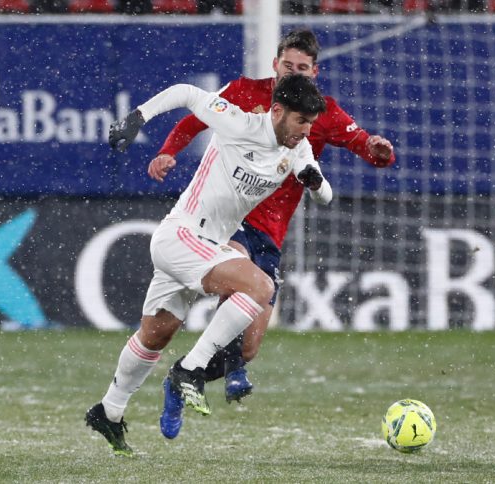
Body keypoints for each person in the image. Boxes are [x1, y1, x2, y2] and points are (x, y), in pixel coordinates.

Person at [148, 29, 395, 414]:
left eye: (301, 67)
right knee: (243, 279)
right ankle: (194, 369)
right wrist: (168, 152)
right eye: (287, 64)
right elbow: (194, 120)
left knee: (248, 346)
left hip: (271, 233)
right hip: (233, 222)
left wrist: (378, 152)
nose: (292, 72)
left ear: (314, 72)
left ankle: (188, 378)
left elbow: (364, 147)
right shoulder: (245, 92)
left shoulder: (317, 113)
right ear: (274, 64)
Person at [85, 74, 332, 456]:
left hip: (209, 246)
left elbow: (325, 195)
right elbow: (186, 94)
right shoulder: (238, 122)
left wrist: (315, 182)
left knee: (155, 336)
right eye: (301, 122)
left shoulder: (298, 149)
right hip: (181, 235)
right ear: (278, 111)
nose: (306, 131)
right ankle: (190, 368)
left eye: (311, 125)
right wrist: (137, 117)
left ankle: (109, 411)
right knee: (260, 287)